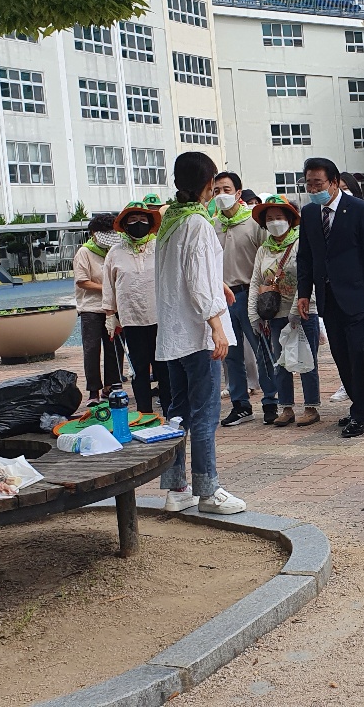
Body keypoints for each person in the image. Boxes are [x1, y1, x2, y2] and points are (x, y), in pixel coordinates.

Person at [156, 152, 244, 515]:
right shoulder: (198, 224)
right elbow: (195, 279)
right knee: (205, 415)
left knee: (177, 413)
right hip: (197, 334)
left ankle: (177, 488)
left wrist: (217, 283)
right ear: (208, 185)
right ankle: (208, 490)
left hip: (173, 334)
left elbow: (182, 273)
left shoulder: (169, 222)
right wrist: (217, 327)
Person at [297, 156, 364, 438]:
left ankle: (361, 413)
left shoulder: (359, 209)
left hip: (357, 296)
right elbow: (306, 256)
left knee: (358, 355)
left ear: (334, 182)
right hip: (327, 297)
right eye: (309, 184)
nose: (313, 189)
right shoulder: (310, 213)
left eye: (318, 183)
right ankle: (363, 405)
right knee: (339, 355)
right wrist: (304, 293)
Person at [210, 170, 277, 427]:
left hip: (250, 294)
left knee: (262, 350)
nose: (221, 195)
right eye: (216, 191)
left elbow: (269, 258)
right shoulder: (213, 225)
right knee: (231, 355)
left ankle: (271, 399)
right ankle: (240, 404)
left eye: (226, 190)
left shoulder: (253, 222)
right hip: (223, 298)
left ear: (238, 193)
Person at [249, 195, 321, 427]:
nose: (274, 222)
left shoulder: (302, 242)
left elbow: (306, 278)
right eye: (270, 218)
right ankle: (286, 407)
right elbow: (255, 281)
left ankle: (311, 407)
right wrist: (254, 314)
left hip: (303, 311)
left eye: (279, 217)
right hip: (274, 314)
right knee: (280, 362)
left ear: (290, 219)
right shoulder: (263, 249)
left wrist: (295, 309)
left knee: (306, 359)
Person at [104, 195, 168, 415]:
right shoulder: (115, 253)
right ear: (124, 224)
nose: (138, 223)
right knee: (139, 370)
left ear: (150, 222)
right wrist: (110, 315)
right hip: (131, 320)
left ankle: (170, 413)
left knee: (164, 368)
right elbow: (109, 286)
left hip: (160, 318)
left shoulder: (159, 247)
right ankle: (144, 414)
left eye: (142, 218)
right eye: (132, 219)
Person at [74, 213, 124, 404]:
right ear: (94, 233)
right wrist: (107, 288)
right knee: (92, 349)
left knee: (115, 347)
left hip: (113, 307)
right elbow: (83, 282)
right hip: (91, 309)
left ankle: (111, 386)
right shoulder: (84, 252)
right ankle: (93, 390)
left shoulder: (115, 251)